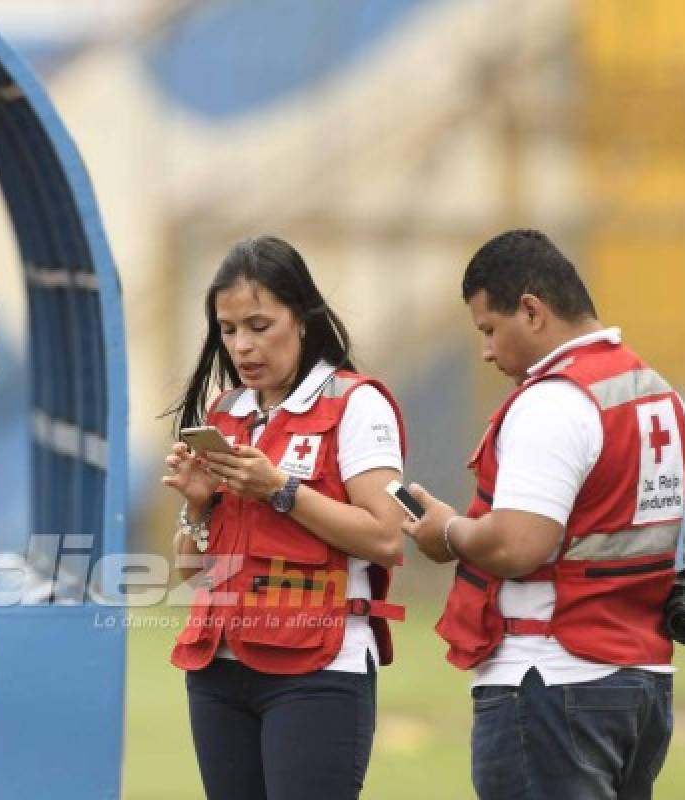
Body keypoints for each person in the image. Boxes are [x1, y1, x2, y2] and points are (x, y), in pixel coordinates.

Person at [403, 229, 685, 800]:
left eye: (489, 329)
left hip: (552, 679)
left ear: (531, 311)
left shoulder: (555, 401)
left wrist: (447, 533)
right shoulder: (658, 395)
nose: (487, 351)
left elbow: (518, 546)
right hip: (640, 682)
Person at [162, 235, 411, 800]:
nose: (242, 346)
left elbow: (388, 537)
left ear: (301, 319)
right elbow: (193, 575)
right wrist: (198, 503)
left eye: (259, 325)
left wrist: (281, 489)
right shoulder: (225, 411)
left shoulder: (356, 402)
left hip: (318, 668)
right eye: (228, 330)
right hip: (218, 667)